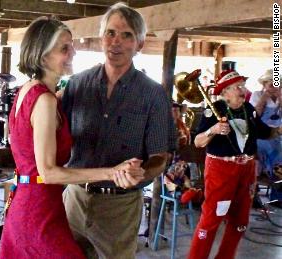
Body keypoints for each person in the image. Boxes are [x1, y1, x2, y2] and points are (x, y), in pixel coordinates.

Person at [0, 16, 142, 259]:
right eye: (65, 48)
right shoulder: (44, 101)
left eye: (71, 45)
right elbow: (49, 172)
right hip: (38, 209)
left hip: (34, 201)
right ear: (44, 57)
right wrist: (111, 172)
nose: (73, 52)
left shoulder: (31, 91)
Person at [61, 3, 172, 258]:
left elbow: (160, 157)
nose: (116, 42)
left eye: (126, 35)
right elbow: (59, 141)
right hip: (74, 200)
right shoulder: (77, 85)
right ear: (101, 38)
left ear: (140, 44)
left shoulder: (153, 94)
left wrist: (141, 172)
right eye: (110, 33)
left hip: (120, 208)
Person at [189, 69, 282, 259]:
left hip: (246, 171)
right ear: (225, 92)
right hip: (221, 171)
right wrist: (213, 130)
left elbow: (266, 132)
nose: (243, 90)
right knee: (211, 220)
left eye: (243, 85)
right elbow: (197, 142)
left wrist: (278, 129)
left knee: (240, 222)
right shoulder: (213, 110)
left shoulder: (248, 109)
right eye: (238, 87)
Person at [249, 69, 282, 202]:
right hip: (261, 135)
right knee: (275, 154)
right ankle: (254, 194)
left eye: (277, 84)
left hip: (278, 135)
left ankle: (278, 194)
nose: (274, 87)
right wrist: (264, 98)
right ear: (264, 84)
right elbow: (254, 116)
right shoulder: (257, 95)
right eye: (271, 84)